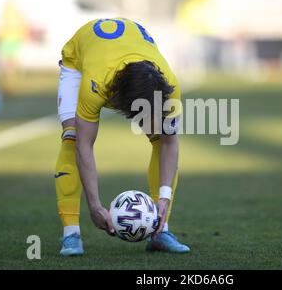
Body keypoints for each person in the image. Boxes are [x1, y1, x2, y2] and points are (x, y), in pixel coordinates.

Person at [55, 18, 189, 255]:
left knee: (161, 136)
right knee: (73, 136)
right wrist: (95, 206)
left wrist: (165, 198)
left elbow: (170, 143)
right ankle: (71, 234)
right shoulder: (95, 82)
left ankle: (161, 230)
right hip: (80, 58)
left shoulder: (170, 86)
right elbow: (84, 146)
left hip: (125, 54)